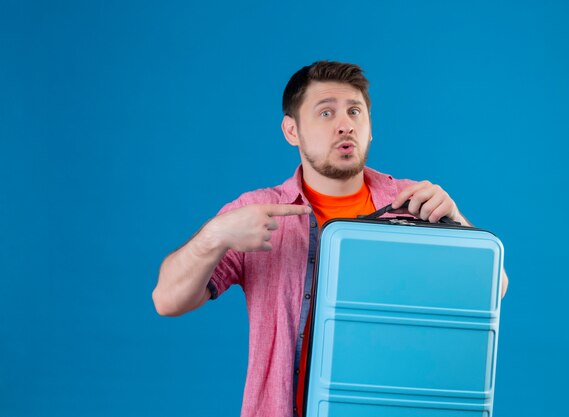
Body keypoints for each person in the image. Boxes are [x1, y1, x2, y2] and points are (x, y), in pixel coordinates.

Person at [152, 60, 509, 417]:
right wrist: (215, 235)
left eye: (355, 112)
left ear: (370, 129)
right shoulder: (256, 211)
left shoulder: (413, 202)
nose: (345, 125)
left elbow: (495, 288)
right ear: (291, 131)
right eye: (326, 113)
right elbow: (167, 300)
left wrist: (456, 219)